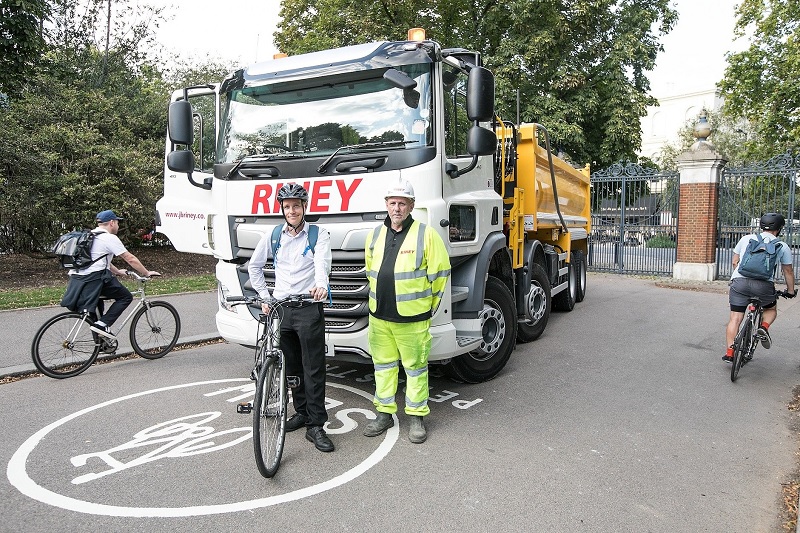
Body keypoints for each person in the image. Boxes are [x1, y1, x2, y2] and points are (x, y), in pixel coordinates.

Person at [362, 178, 451, 444]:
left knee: (415, 369)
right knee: (383, 367)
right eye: (392, 203)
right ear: (386, 205)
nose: (397, 208)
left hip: (412, 318)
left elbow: (440, 274)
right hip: (380, 317)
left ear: (411, 206)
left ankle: (416, 418)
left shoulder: (426, 234)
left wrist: (428, 307)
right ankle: (384, 414)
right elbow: (369, 270)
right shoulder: (375, 235)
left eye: (402, 203)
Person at [248, 183, 334, 453]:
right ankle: (302, 412)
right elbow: (254, 266)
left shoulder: (318, 234)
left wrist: (321, 284)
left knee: (313, 368)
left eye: (297, 205)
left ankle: (317, 425)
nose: (292, 210)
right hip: (282, 309)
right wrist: (265, 296)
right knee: (292, 368)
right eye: (287, 207)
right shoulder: (274, 235)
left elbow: (322, 263)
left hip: (308, 307)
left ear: (304, 207)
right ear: (282, 209)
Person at [61, 210, 161, 340]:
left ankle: (101, 343)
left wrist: (118, 272)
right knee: (125, 297)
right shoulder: (109, 238)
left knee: (96, 310)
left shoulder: (90, 235)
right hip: (95, 279)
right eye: (118, 222)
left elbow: (99, 260)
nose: (118, 226)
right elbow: (129, 258)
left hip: (78, 279)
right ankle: (102, 326)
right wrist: (146, 273)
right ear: (112, 223)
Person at [723, 212, 796, 362]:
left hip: (740, 283)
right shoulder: (782, 246)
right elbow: (787, 270)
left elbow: (735, 261)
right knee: (770, 310)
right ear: (780, 228)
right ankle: (763, 327)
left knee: (735, 318)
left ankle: (730, 353)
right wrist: (790, 291)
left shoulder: (746, 238)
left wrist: (738, 276)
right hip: (763, 286)